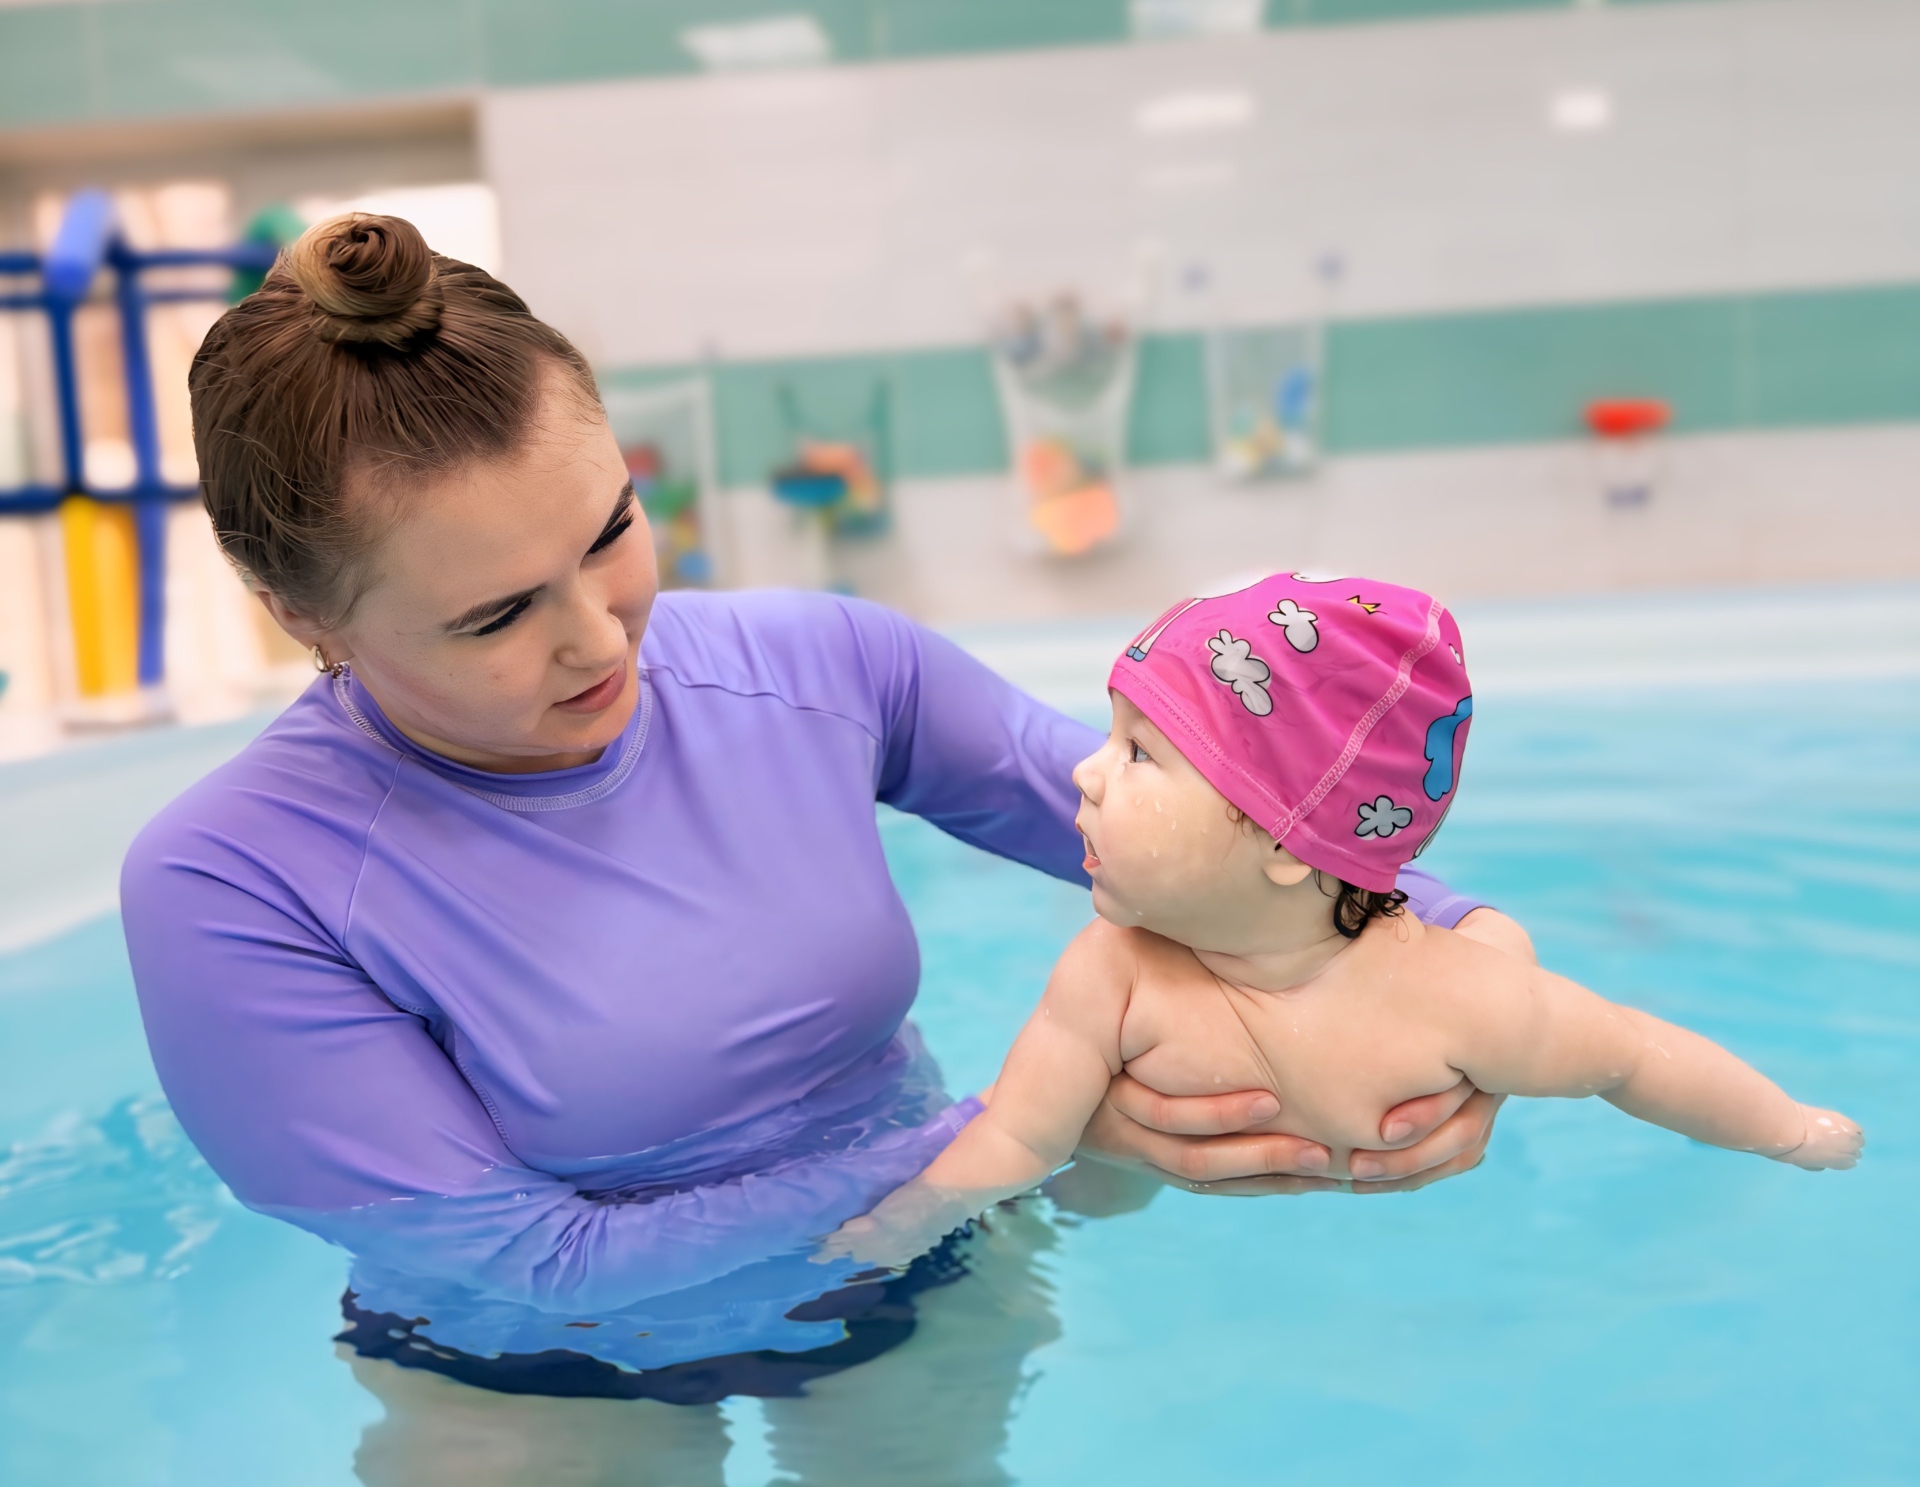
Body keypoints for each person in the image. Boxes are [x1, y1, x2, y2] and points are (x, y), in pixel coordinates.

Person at [121, 216, 1527, 1398]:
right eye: (495, 616)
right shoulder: (235, 884)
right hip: (535, 1375)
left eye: (611, 531)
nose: (605, 641)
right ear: (301, 616)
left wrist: (1457, 950)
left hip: (916, 1283)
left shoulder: (822, 669)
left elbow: (1212, 833)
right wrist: (1030, 1133)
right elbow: (526, 1261)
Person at [826, 575, 1862, 1267]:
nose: (1085, 773)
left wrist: (1786, 1128)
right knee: (1094, 1192)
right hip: (1130, 1202)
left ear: (1289, 845)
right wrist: (892, 1230)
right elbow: (1015, 1133)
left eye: (1140, 754)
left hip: (1410, 1272)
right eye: (1111, 736)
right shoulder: (1115, 972)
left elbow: (1633, 1057)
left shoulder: (1457, 992)